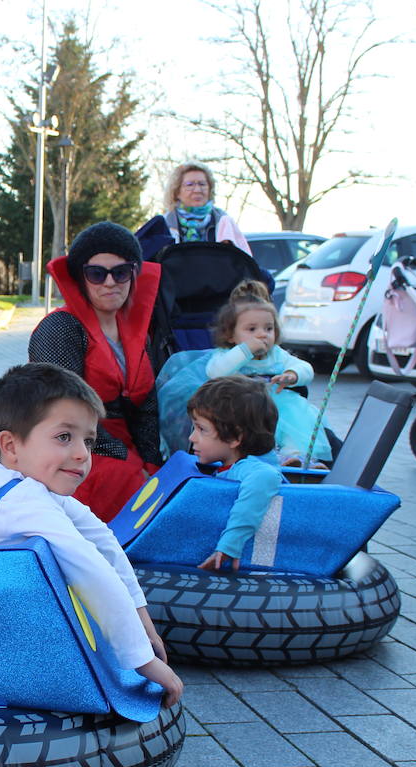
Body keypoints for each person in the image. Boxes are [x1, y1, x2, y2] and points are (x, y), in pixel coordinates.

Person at [0, 362, 182, 707]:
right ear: (11, 446)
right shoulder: (21, 498)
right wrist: (141, 660)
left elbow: (103, 543)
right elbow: (90, 568)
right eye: (64, 437)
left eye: (88, 440)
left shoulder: (26, 487)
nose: (82, 453)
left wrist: (144, 625)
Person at [28, 222, 163, 521]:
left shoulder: (139, 332)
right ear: (81, 278)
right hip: (72, 448)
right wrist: (129, 464)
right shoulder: (60, 327)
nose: (110, 282)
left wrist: (152, 461)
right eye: (97, 273)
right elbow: (64, 410)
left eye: (121, 272)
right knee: (131, 489)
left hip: (125, 447)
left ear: (134, 274)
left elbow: (147, 407)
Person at [157, 280, 332, 466]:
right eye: (252, 329)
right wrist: (246, 350)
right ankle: (272, 457)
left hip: (280, 403)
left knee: (297, 421)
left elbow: (305, 368)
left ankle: (299, 458)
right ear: (231, 335)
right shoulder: (229, 355)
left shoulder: (277, 355)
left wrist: (292, 374)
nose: (262, 334)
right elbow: (216, 372)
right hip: (243, 407)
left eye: (268, 328)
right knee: (247, 425)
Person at [186, 376, 284, 573]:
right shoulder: (227, 466)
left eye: (201, 429)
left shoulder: (249, 469)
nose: (192, 438)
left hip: (259, 560)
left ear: (234, 438)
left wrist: (230, 544)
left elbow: (266, 477)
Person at [159, 161, 252, 252]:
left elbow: (243, 261)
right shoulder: (165, 225)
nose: (197, 190)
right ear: (177, 192)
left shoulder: (223, 222)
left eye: (202, 184)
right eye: (190, 185)